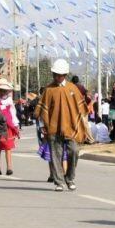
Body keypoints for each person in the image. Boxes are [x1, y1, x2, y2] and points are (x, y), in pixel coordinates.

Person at [36, 59, 88, 191]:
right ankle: (59, 181)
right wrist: (43, 125)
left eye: (59, 74)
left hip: (71, 127)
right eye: (55, 74)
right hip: (53, 127)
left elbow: (82, 108)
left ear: (65, 74)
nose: (57, 77)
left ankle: (70, 178)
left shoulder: (72, 88)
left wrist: (83, 125)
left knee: (74, 151)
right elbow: (42, 110)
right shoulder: (48, 89)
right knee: (56, 155)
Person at [0, 78, 20, 176]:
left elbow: (12, 113)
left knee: (8, 147)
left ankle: (9, 167)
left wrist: (16, 125)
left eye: (2, 90)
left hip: (7, 127)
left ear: (6, 90)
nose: (0, 91)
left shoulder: (9, 101)